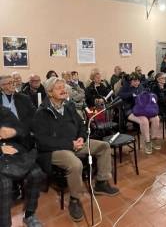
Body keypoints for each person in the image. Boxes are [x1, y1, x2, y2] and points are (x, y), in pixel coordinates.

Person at [32, 77, 119, 222]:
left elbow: (81, 125)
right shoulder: (41, 113)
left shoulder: (69, 106)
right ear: (49, 92)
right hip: (55, 150)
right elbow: (43, 142)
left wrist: (81, 138)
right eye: (58, 88)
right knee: (75, 164)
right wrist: (70, 144)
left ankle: (101, 183)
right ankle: (74, 200)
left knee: (104, 146)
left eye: (63, 87)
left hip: (76, 143)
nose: (63, 90)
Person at [0, 106, 45, 227]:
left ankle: (29, 214)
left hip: (13, 153)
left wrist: (13, 132)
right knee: (4, 183)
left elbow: (22, 130)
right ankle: (4, 224)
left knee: (36, 173)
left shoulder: (3, 111)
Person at [118, 73, 161, 155]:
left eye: (138, 81)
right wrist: (132, 94)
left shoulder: (140, 86)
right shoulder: (125, 87)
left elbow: (145, 94)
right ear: (130, 81)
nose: (137, 83)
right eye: (134, 81)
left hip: (143, 109)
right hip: (130, 110)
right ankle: (147, 142)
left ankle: (153, 139)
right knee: (144, 120)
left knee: (156, 118)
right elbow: (120, 95)